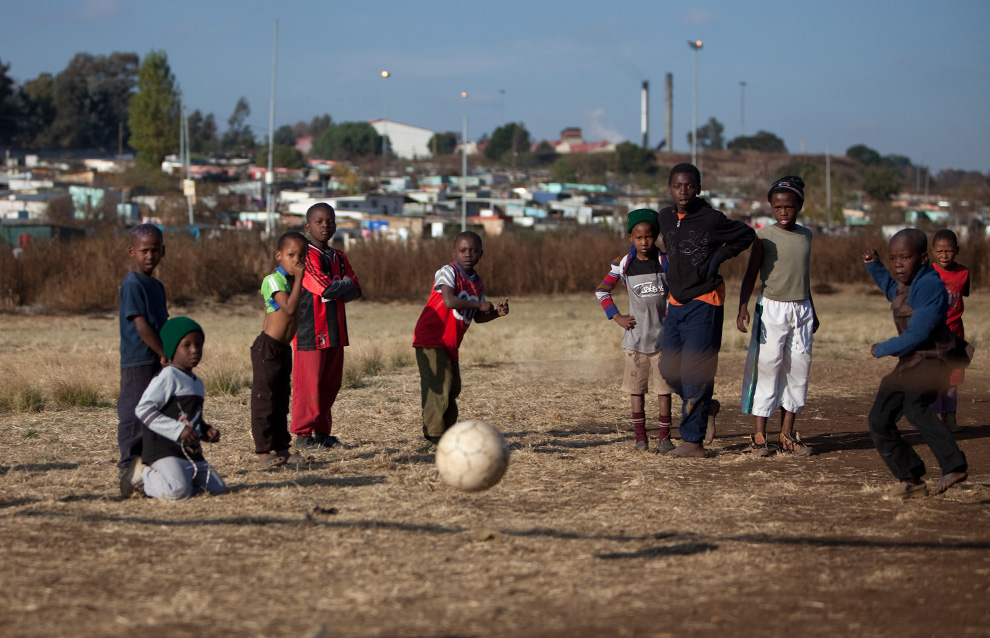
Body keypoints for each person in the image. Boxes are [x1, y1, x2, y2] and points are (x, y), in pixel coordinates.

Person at [863, 229, 970, 500]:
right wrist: (874, 266)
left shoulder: (931, 285)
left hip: (936, 359)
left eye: (905, 257)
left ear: (923, 258)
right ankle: (911, 479)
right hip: (912, 362)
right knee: (879, 418)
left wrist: (884, 348)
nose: (898, 263)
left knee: (915, 407)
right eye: (893, 258)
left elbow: (919, 333)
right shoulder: (905, 283)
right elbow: (891, 290)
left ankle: (954, 466)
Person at [657, 163, 755, 457]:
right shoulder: (664, 217)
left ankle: (693, 441)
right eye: (677, 186)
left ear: (698, 188)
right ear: (670, 188)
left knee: (695, 372)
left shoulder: (711, 219)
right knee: (668, 370)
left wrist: (719, 256)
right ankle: (706, 406)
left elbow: (746, 234)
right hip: (676, 303)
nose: (683, 191)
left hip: (705, 300)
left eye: (689, 186)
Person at [737, 176, 819, 457]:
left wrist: (812, 310)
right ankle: (760, 435)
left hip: (802, 308)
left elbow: (803, 277)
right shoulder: (763, 236)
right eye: (777, 207)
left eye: (789, 206)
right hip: (771, 308)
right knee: (768, 367)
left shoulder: (806, 235)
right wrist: (742, 307)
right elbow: (750, 274)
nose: (783, 212)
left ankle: (787, 435)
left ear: (799, 206)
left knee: (798, 368)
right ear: (771, 207)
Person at [413, 231, 509, 445]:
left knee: (454, 386)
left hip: (450, 343)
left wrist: (495, 313)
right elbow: (448, 300)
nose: (468, 254)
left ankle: (448, 430)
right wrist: (478, 305)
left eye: (473, 251)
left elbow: (477, 318)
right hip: (431, 336)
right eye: (463, 250)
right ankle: (435, 434)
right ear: (454, 252)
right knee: (440, 383)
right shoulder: (448, 272)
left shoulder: (477, 283)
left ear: (481, 254)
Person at [595, 208, 674, 452]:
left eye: (649, 236)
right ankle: (640, 437)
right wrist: (616, 316)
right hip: (635, 340)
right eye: (638, 237)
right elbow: (602, 291)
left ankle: (664, 437)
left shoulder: (665, 262)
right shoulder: (623, 265)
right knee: (636, 390)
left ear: (656, 236)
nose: (644, 242)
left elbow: (677, 293)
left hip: (663, 340)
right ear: (631, 237)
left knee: (664, 391)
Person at [125, 317, 226, 500]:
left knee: (216, 488)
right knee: (177, 492)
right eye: (186, 345)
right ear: (172, 348)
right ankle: (143, 475)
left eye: (199, 344)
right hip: (164, 451)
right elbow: (144, 409)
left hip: (190, 454)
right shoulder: (168, 376)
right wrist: (178, 430)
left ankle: (179, 479)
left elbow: (190, 417)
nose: (194, 350)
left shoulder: (197, 383)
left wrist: (205, 431)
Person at [292, 203, 361, 451]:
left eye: (329, 221)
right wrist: (341, 285)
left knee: (330, 384)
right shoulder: (306, 255)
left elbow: (356, 290)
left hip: (336, 329)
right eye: (319, 222)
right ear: (308, 226)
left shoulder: (339, 257)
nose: (325, 226)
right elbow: (327, 289)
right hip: (311, 329)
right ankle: (302, 435)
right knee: (308, 384)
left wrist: (341, 286)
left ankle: (321, 434)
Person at [251, 231, 314, 468]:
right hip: (267, 348)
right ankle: (263, 452)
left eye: (302, 256)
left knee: (280, 400)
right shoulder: (274, 280)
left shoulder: (291, 281)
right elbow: (287, 308)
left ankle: (282, 449)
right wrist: (299, 278)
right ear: (279, 256)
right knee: (264, 401)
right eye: (291, 255)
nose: (297, 260)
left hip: (284, 348)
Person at [117, 224, 169, 497]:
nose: (150, 255)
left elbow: (163, 323)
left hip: (157, 359)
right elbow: (142, 325)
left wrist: (170, 350)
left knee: (154, 412)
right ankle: (128, 468)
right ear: (132, 251)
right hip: (139, 359)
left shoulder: (156, 285)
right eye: (143, 250)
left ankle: (148, 466)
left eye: (154, 250)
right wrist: (162, 352)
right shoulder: (133, 283)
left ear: (163, 250)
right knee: (133, 413)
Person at [930, 229, 969, 434]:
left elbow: (963, 295)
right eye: (940, 251)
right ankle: (933, 420)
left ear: (957, 251)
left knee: (953, 378)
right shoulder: (928, 273)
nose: (944, 255)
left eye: (949, 251)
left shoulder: (964, 273)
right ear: (933, 251)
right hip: (934, 333)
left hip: (955, 333)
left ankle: (950, 418)